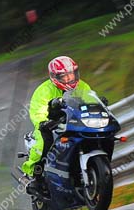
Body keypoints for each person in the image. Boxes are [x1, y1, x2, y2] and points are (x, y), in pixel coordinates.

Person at [21, 56, 100, 195]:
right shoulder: (44, 90)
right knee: (43, 141)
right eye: (64, 76)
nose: (69, 78)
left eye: (72, 74)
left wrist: (99, 105)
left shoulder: (82, 86)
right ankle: (35, 176)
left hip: (75, 121)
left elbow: (91, 101)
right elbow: (37, 109)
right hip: (51, 123)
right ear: (54, 77)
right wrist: (43, 122)